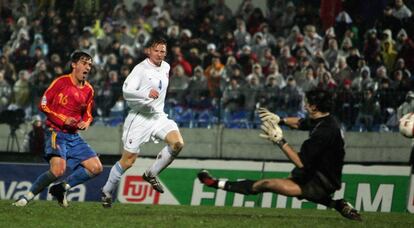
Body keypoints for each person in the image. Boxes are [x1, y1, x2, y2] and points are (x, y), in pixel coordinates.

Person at [198, 89, 362, 221]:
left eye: (307, 104)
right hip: (316, 174)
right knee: (271, 185)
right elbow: (300, 122)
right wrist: (280, 120)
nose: (304, 106)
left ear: (314, 107)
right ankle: (340, 205)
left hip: (319, 181)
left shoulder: (324, 132)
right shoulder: (325, 121)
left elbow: (301, 162)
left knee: (266, 184)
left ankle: (212, 182)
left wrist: (280, 141)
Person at [101, 37, 184, 208]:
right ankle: (107, 191)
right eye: (156, 50)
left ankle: (150, 174)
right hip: (140, 118)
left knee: (177, 144)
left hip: (158, 116)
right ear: (148, 51)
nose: (160, 54)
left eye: (163, 51)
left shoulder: (167, 67)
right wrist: (145, 95)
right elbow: (126, 91)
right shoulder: (140, 69)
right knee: (128, 161)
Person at [13, 51, 103, 207]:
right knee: (58, 171)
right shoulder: (60, 82)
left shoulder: (89, 90)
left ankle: (61, 188)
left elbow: (88, 114)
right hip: (56, 132)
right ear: (74, 64)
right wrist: (62, 119)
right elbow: (43, 104)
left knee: (96, 168)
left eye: (90, 64)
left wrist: (86, 122)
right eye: (84, 63)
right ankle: (26, 198)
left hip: (74, 136)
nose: (88, 67)